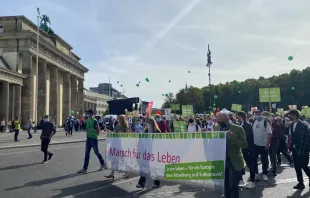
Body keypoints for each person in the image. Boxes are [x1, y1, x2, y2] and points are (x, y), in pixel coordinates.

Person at [215, 112, 247, 198]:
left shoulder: (238, 129)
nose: (218, 122)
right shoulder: (216, 128)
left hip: (235, 161)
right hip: (222, 161)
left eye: (220, 120)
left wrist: (232, 136)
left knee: (233, 185)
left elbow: (244, 144)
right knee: (225, 186)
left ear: (227, 119)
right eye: (218, 120)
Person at [136, 117, 161, 189]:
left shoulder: (157, 131)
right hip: (146, 151)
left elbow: (159, 142)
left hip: (155, 151)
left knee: (154, 167)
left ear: (152, 123)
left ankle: (156, 182)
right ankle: (141, 183)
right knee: (145, 166)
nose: (147, 124)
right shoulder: (145, 131)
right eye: (146, 122)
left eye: (149, 122)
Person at [288, 110, 310, 190]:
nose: (289, 117)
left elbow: (305, 139)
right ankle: (300, 183)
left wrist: (302, 149)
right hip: (294, 149)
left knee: (304, 165)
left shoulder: (304, 125)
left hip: (302, 149)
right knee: (297, 167)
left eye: (290, 115)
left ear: (294, 115)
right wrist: (290, 147)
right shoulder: (291, 125)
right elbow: (291, 138)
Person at [78, 109, 105, 174]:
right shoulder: (87, 121)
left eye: (89, 113)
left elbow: (98, 128)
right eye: (87, 113)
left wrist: (96, 134)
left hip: (93, 139)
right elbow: (86, 128)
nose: (88, 114)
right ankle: (85, 168)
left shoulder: (95, 121)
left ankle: (102, 163)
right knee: (87, 153)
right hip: (88, 138)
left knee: (96, 152)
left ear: (92, 114)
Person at [105, 114, 129, 179]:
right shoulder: (117, 125)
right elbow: (114, 134)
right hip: (116, 144)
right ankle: (112, 173)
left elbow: (128, 135)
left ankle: (126, 172)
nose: (120, 120)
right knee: (114, 159)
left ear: (124, 120)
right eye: (119, 119)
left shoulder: (126, 126)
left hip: (122, 145)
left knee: (122, 159)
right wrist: (108, 131)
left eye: (121, 119)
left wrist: (123, 133)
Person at [236, 111, 255, 189]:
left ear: (241, 116)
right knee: (240, 164)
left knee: (250, 164)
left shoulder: (248, 125)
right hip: (241, 148)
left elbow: (249, 137)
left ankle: (252, 180)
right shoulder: (239, 124)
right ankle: (240, 179)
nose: (236, 118)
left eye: (237, 116)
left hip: (247, 148)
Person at [252, 111, 272, 181]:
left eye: (258, 114)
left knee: (264, 160)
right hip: (255, 145)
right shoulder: (254, 122)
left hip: (263, 145)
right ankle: (256, 173)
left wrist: (267, 144)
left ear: (261, 115)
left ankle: (265, 174)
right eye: (255, 114)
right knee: (254, 160)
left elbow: (269, 134)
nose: (257, 116)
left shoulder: (265, 122)